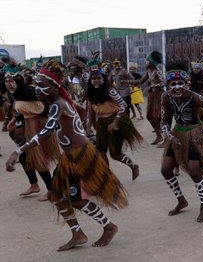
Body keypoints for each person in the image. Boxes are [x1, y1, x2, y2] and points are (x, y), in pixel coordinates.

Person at [5, 60, 128, 251]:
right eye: (36, 85)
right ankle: (77, 234)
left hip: (79, 157)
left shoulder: (57, 105)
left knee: (76, 199)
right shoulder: (60, 103)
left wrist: (18, 150)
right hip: (70, 157)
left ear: (55, 87)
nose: (37, 89)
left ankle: (109, 227)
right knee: (55, 194)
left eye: (43, 85)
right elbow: (78, 110)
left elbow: (47, 131)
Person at [159, 61, 203, 222]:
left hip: (195, 133)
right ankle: (181, 200)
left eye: (180, 83)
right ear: (168, 84)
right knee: (166, 169)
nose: (176, 87)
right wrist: (171, 137)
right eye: (172, 84)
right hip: (178, 134)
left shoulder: (194, 96)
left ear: (186, 83)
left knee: (194, 170)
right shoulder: (165, 97)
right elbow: (164, 121)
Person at [4, 63, 60, 200]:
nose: (9, 84)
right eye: (6, 81)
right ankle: (34, 185)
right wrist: (16, 119)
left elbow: (49, 102)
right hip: (29, 124)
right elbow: (22, 108)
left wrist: (49, 119)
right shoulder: (16, 93)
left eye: (11, 81)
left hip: (38, 126)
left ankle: (52, 190)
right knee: (24, 158)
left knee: (38, 159)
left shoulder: (30, 91)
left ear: (18, 80)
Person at [85, 59, 143, 181]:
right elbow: (90, 111)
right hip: (101, 123)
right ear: (90, 80)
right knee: (100, 152)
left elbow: (124, 106)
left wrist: (114, 123)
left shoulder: (110, 90)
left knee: (115, 154)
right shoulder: (90, 93)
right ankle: (107, 177)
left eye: (99, 78)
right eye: (94, 79)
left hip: (116, 122)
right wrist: (88, 126)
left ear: (103, 79)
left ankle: (133, 166)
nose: (96, 81)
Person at [125, 51, 165, 145]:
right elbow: (140, 81)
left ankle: (164, 137)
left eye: (147, 61)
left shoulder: (157, 71)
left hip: (159, 96)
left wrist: (151, 86)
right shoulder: (149, 71)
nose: (145, 63)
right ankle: (159, 136)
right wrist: (127, 81)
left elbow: (163, 83)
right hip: (152, 96)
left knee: (158, 116)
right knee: (149, 116)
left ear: (151, 62)